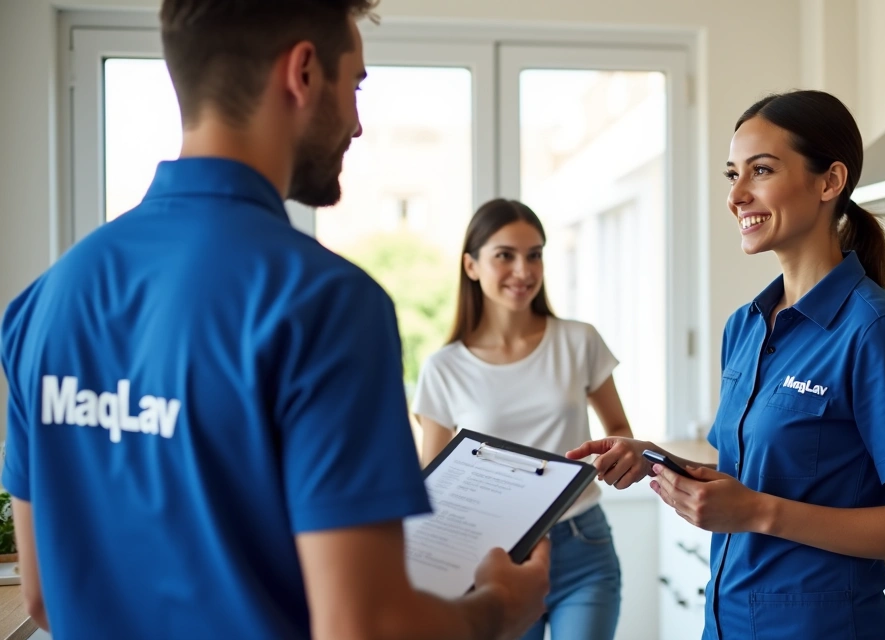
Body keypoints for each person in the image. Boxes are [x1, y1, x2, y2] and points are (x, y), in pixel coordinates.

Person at [0, 2, 548, 639]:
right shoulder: (325, 303)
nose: (358, 124)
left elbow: (42, 594)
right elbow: (365, 628)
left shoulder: (43, 302)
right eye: (356, 87)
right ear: (305, 73)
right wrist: (500, 609)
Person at [567, 90, 885, 639]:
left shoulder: (876, 333)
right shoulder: (745, 327)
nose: (737, 195)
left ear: (829, 181)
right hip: (728, 624)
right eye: (732, 175)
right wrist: (656, 460)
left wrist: (755, 513)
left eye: (761, 170)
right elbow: (752, 480)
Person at [413, 198, 633, 640]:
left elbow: (619, 431)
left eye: (535, 255)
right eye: (505, 256)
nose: (523, 270)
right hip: (495, 558)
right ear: (471, 266)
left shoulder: (578, 341)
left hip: (583, 543)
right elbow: (434, 486)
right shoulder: (444, 368)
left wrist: (618, 458)